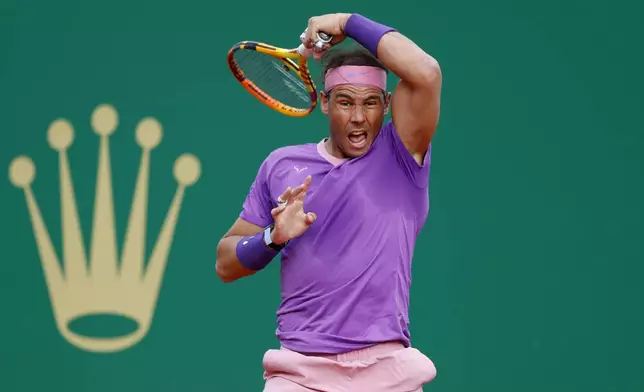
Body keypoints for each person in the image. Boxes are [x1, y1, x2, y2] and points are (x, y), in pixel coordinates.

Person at [216, 12, 442, 392]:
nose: (358, 118)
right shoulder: (282, 165)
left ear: (387, 105)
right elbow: (226, 263)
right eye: (345, 102)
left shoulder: (402, 155)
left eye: (370, 103)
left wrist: (345, 21)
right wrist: (274, 236)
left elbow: (427, 72)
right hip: (301, 373)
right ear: (324, 102)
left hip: (389, 372)